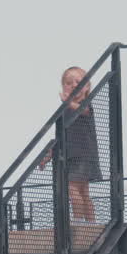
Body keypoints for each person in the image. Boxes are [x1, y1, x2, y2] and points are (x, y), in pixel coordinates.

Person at [41, 67, 101, 223]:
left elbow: (84, 111)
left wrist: (68, 102)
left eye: (78, 82)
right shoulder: (64, 111)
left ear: (87, 87)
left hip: (83, 154)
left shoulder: (85, 104)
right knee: (83, 191)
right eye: (68, 83)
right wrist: (48, 156)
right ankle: (91, 224)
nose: (74, 85)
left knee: (72, 188)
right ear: (63, 87)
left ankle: (79, 221)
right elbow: (60, 136)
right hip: (71, 154)